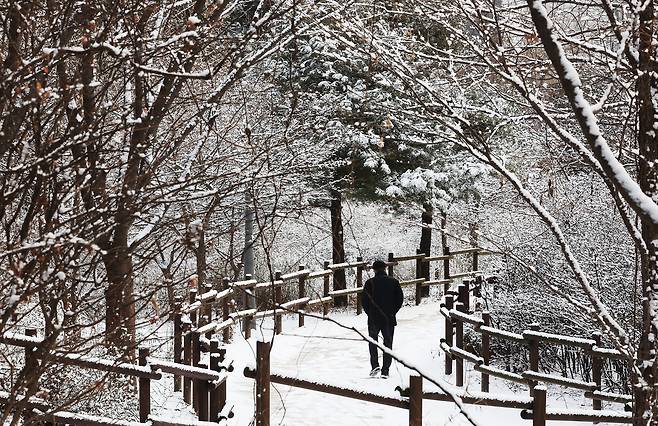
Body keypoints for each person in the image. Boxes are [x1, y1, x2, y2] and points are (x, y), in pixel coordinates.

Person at [362, 259, 403, 378]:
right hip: (389, 318)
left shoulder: (370, 283)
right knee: (388, 343)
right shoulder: (394, 282)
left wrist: (370, 313)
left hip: (374, 318)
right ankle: (386, 370)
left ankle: (375, 365)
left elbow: (364, 301)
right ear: (385, 268)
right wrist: (392, 312)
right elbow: (399, 300)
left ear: (374, 270)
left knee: (373, 342)